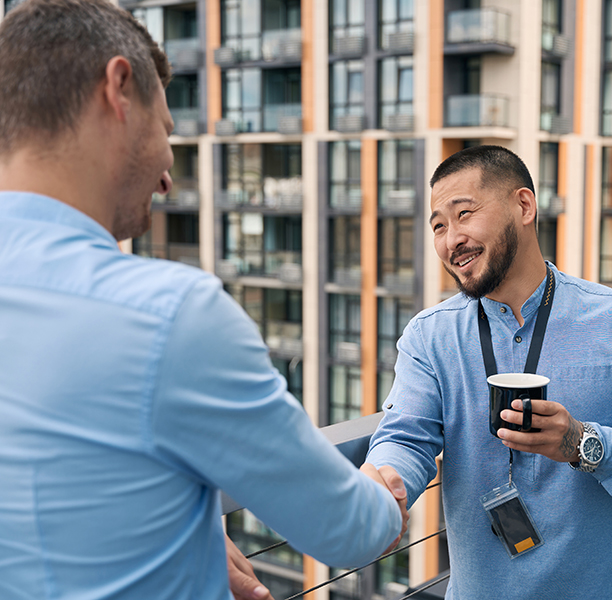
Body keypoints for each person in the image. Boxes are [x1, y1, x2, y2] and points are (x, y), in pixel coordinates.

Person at [0, 1, 406, 599]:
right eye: (165, 130)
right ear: (119, 89)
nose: (168, 176)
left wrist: (171, 523)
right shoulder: (167, 316)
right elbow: (349, 530)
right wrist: (388, 496)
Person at [364, 145, 612, 599]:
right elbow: (406, 436)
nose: (451, 240)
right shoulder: (428, 337)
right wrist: (386, 478)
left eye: (464, 214)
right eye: (438, 226)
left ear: (524, 205)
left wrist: (582, 443)